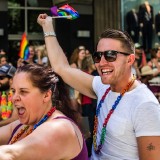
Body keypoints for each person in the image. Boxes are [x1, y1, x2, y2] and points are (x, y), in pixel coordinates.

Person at [37, 13, 160, 160]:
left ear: (130, 59)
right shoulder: (102, 86)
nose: (101, 63)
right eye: (98, 56)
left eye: (110, 55)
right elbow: (61, 67)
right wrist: (47, 26)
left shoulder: (144, 104)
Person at [0, 63, 88, 160]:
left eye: (23, 91)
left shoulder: (60, 127)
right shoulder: (24, 125)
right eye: (13, 91)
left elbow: (10, 154)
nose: (14, 98)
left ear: (46, 95)